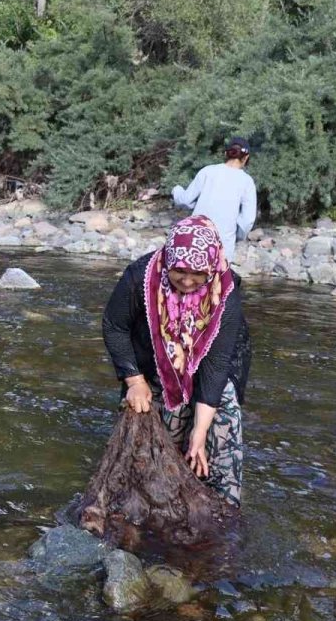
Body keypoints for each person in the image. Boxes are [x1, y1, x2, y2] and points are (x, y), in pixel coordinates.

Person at [101, 215, 252, 507]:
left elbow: (216, 365)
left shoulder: (226, 292)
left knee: (218, 418)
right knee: (160, 440)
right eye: (179, 270)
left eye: (197, 273)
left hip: (216, 358)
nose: (187, 280)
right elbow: (114, 326)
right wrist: (134, 380)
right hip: (152, 358)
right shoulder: (139, 277)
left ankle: (221, 503)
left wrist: (200, 432)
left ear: (211, 267)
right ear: (169, 260)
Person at [168, 137, 257, 262]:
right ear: (246, 157)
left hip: (195, 241)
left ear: (226, 153)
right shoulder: (247, 182)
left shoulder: (207, 171)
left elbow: (185, 200)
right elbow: (247, 221)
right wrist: (237, 236)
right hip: (222, 246)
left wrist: (176, 190)